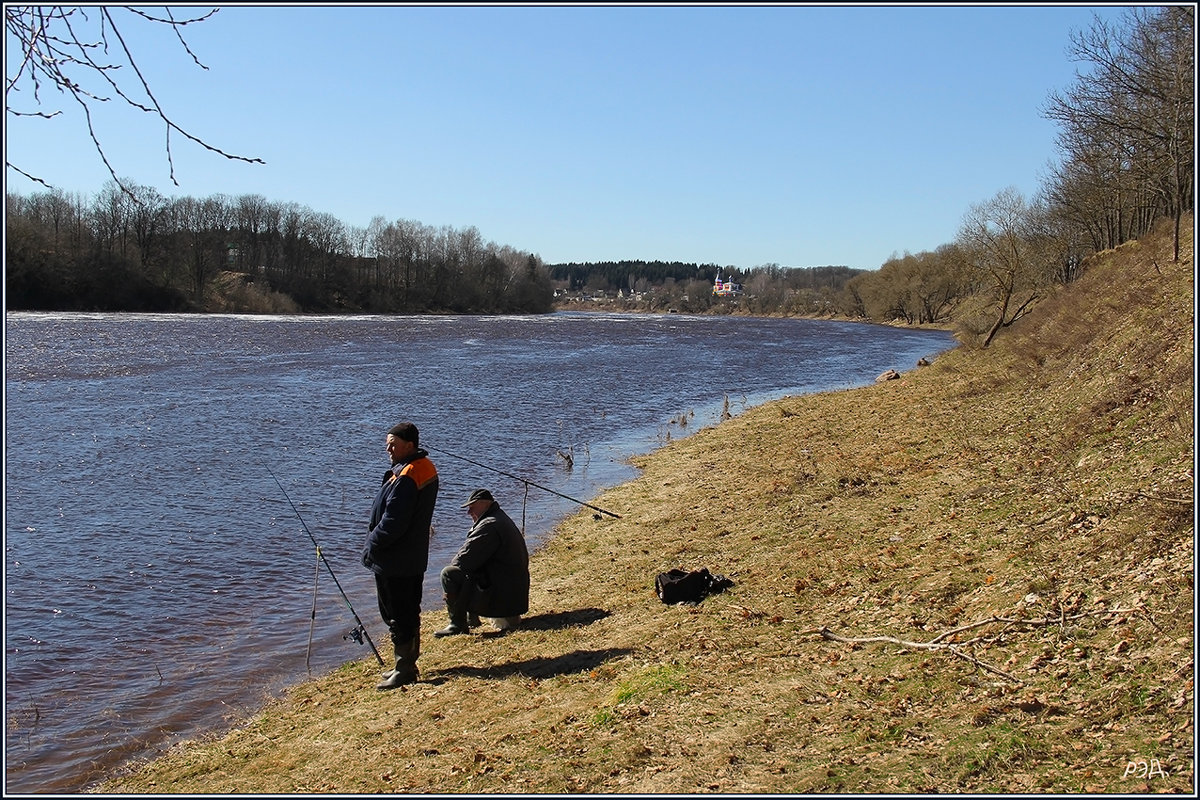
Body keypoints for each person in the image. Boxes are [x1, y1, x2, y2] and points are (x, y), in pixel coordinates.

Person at [361, 421, 439, 690]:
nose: (389, 450)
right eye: (387, 445)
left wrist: (372, 542)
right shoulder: (419, 469)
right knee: (406, 611)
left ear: (409, 445)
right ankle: (406, 663)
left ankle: (404, 668)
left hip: (397, 559)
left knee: (398, 613)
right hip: (409, 556)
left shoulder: (409, 475)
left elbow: (394, 522)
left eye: (393, 445)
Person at [434, 488, 530, 637]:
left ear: (484, 504)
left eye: (472, 507)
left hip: (504, 598)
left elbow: (462, 561)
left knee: (449, 574)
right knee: (473, 569)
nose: (469, 512)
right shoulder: (498, 517)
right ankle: (472, 619)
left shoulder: (489, 525)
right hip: (513, 595)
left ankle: (457, 625)